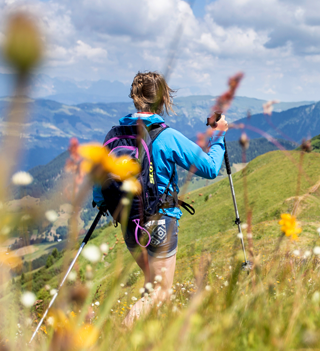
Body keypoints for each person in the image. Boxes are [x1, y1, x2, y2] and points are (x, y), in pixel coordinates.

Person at [92, 71, 228, 327]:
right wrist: (219, 136)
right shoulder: (166, 136)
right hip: (159, 223)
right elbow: (210, 168)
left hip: (128, 224)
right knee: (160, 292)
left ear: (135, 98)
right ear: (164, 99)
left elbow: (99, 191)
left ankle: (143, 348)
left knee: (151, 286)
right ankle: (119, 342)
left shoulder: (114, 135)